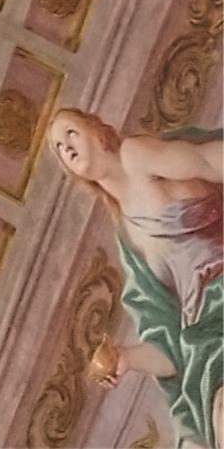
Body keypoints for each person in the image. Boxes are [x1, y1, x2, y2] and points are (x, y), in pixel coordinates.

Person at [47, 109, 222, 449]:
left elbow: (209, 162)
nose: (65, 146)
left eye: (70, 133)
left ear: (97, 132)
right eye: (59, 148)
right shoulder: (128, 237)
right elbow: (170, 348)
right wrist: (125, 358)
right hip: (207, 333)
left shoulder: (136, 156)